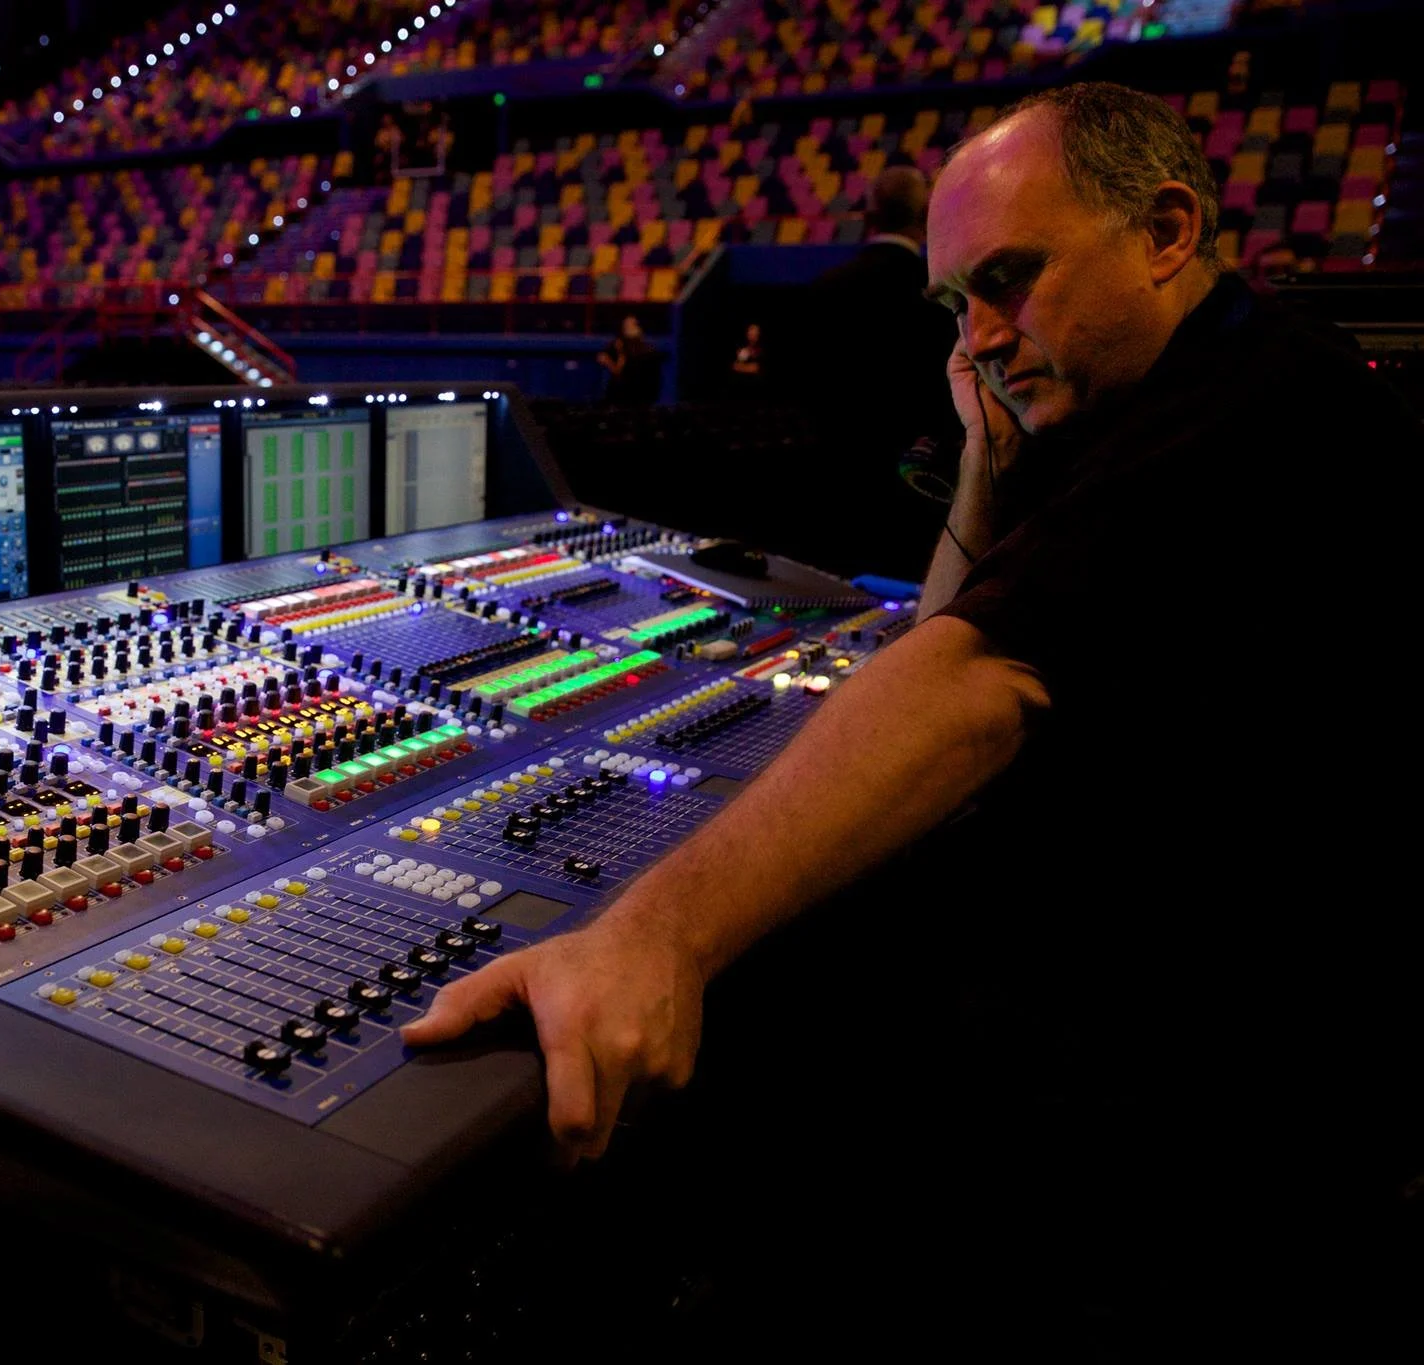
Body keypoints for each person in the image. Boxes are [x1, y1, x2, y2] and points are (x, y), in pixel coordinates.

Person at [407, 82, 1418, 1343]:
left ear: (1165, 233)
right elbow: (960, 618)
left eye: (1008, 280)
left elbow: (980, 671)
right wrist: (988, 465)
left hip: (1219, 1108)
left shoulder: (1257, 406)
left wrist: (649, 937)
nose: (980, 337)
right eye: (955, 307)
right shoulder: (1132, 404)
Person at [794, 163, 958, 574]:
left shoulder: (824, 289)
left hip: (830, 487)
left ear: (869, 216)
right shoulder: (940, 295)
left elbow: (797, 390)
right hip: (912, 495)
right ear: (924, 220)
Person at [596, 315, 662, 405]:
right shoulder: (618, 345)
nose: (627, 328)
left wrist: (611, 360)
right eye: (626, 326)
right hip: (626, 397)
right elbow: (603, 358)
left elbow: (621, 372)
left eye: (631, 325)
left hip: (639, 396)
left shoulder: (646, 351)